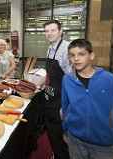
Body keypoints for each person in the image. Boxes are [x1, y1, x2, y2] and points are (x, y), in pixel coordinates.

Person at [62, 39, 113, 159]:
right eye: (72, 55)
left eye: (81, 54)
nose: (76, 59)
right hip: (75, 139)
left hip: (103, 144)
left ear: (91, 55)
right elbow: (65, 107)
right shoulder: (67, 79)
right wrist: (65, 132)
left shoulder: (109, 79)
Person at [37, 20, 71, 159]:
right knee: (51, 133)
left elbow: (72, 80)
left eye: (53, 30)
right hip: (50, 98)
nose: (49, 34)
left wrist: (66, 105)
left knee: (59, 136)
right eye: (47, 31)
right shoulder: (50, 48)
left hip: (60, 102)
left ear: (61, 31)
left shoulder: (67, 49)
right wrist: (37, 85)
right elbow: (49, 74)